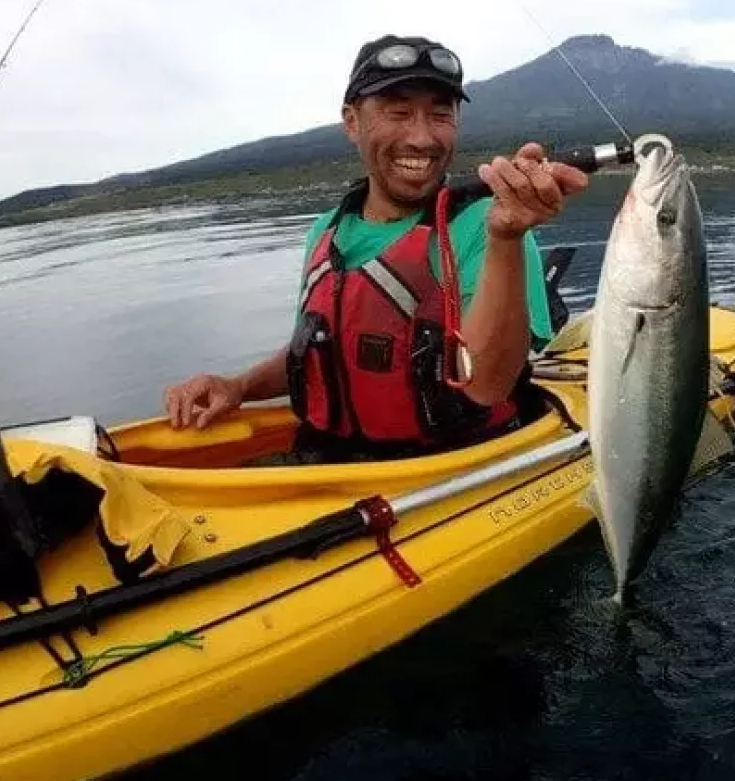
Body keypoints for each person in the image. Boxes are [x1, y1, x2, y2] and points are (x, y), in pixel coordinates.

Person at [162, 34, 589, 461]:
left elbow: (487, 384)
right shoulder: (326, 231)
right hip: (326, 461)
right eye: (398, 113)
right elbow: (315, 352)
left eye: (441, 114)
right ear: (351, 122)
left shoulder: (488, 226)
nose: (422, 138)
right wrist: (239, 387)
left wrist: (507, 238)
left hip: (455, 472)